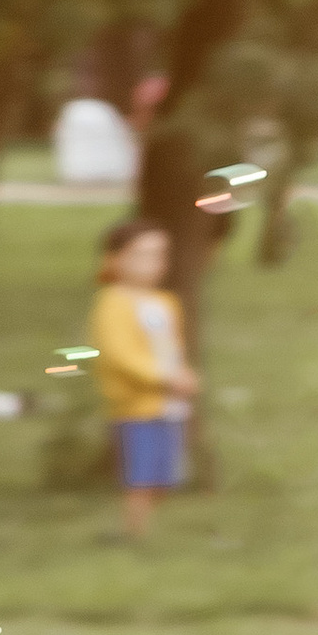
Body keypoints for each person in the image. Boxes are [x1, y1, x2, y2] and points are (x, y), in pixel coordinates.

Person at [89, 219, 200, 537]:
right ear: (115, 260)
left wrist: (184, 374)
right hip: (136, 405)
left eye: (159, 254)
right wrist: (163, 378)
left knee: (165, 472)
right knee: (141, 474)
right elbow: (119, 354)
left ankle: (147, 530)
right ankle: (134, 532)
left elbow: (174, 346)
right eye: (141, 254)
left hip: (170, 403)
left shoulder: (166, 303)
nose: (151, 262)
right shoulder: (113, 303)